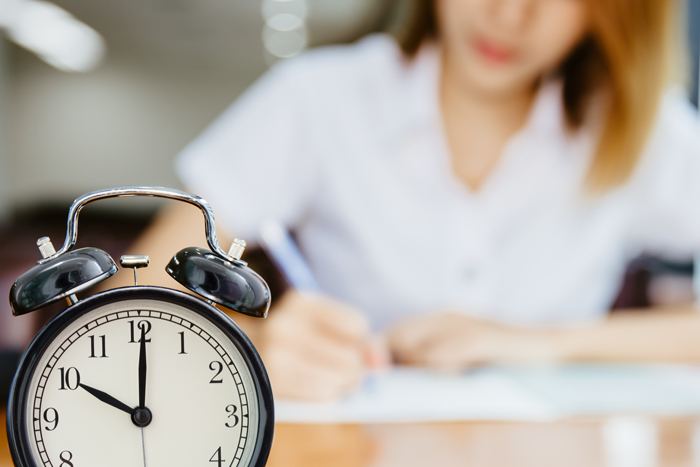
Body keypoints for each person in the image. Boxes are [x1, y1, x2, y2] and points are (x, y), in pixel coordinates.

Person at [124, 0, 700, 401]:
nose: (510, 13)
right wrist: (248, 345)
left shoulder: (639, 131)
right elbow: (136, 292)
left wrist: (536, 343)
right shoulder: (320, 98)